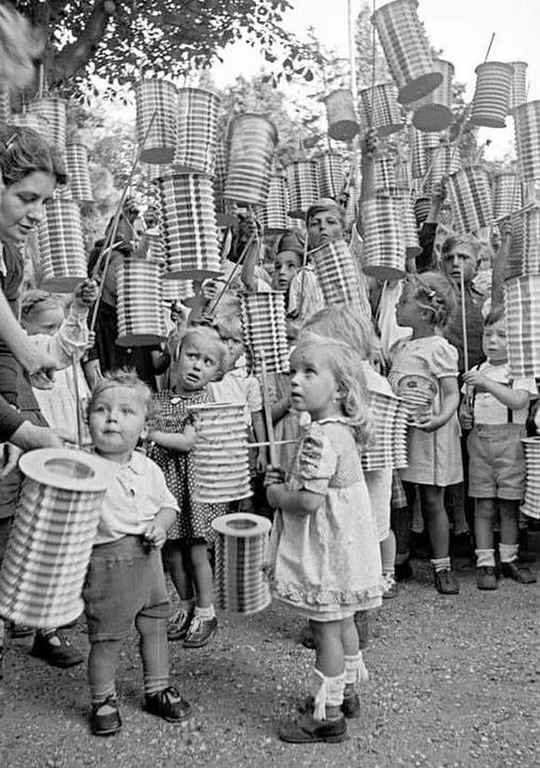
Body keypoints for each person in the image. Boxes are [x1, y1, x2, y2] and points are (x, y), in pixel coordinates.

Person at [265, 333, 382, 744]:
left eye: (309, 372)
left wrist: (277, 495)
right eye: (293, 371)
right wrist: (289, 476)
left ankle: (328, 715)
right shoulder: (338, 430)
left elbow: (309, 501)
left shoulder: (320, 436)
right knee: (343, 619)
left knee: (325, 628)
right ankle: (345, 691)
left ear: (340, 389)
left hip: (329, 551)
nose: (295, 380)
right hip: (349, 548)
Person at [83, 371, 191, 736]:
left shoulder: (149, 468)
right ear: (87, 419)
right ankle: (103, 699)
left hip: (149, 563)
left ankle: (157, 687)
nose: (112, 418)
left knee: (155, 624)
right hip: (106, 566)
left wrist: (160, 525)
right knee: (106, 637)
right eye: (102, 409)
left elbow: (168, 505)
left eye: (126, 411)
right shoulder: (83, 469)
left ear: (145, 428)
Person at [148, 326, 229, 649]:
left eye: (208, 362)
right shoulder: (159, 399)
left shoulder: (204, 403)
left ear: (217, 372)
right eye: (192, 356)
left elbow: (186, 442)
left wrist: (151, 435)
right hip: (164, 486)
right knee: (170, 550)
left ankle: (206, 611)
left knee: (196, 550)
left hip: (194, 488)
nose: (197, 366)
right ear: (176, 357)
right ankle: (186, 604)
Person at [389, 272, 462, 595]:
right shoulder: (401, 347)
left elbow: (452, 393)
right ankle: (399, 559)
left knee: (432, 499)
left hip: (430, 434)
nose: (396, 307)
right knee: (401, 499)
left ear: (424, 312)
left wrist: (440, 419)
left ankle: (442, 565)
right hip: (404, 434)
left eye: (402, 302)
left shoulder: (439, 349)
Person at [460, 307, 537, 589]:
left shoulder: (520, 371)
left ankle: (509, 557)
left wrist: (487, 384)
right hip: (480, 443)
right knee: (483, 504)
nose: (492, 341)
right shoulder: (476, 371)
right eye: (487, 334)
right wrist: (464, 415)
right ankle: (485, 561)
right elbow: (465, 407)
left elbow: (518, 401)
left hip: (511, 444)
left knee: (508, 504)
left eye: (502, 335)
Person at [21, 281, 97, 444]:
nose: (54, 333)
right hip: (44, 418)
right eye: (48, 327)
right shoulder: (29, 344)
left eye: (58, 327)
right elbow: (64, 347)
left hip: (68, 415)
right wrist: (79, 310)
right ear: (23, 323)